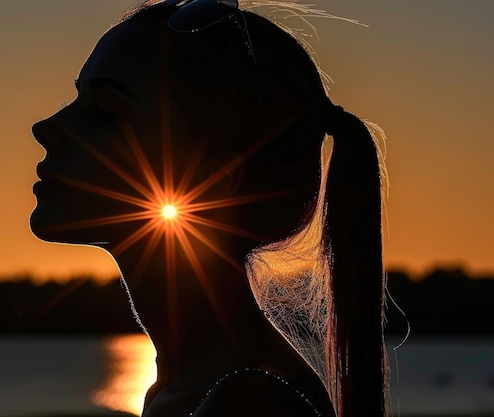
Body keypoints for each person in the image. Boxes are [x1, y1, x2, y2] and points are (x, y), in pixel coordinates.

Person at [30, 1, 388, 416]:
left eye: (105, 111)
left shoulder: (247, 403)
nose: (47, 129)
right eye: (77, 98)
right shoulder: (184, 389)